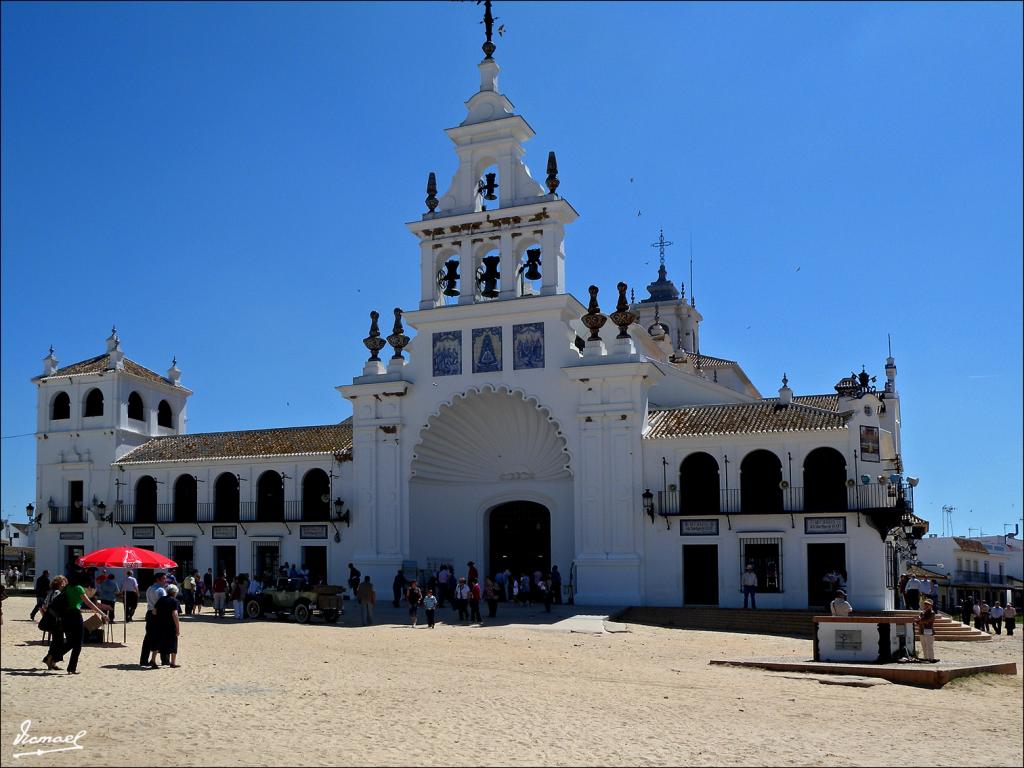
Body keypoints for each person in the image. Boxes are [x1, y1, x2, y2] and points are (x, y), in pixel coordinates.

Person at [45, 572, 107, 674]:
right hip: (75, 616)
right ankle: (71, 668)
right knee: (78, 644)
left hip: (65, 616)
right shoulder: (79, 588)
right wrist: (102, 613)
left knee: (70, 642)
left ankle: (51, 657)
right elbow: (89, 603)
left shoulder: (67, 588)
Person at [140, 572, 168, 668]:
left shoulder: (149, 588)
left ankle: (143, 660)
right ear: (158, 579)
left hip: (149, 613)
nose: (165, 580)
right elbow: (164, 604)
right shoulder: (161, 590)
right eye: (164, 579)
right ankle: (165, 659)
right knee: (162, 636)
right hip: (158, 614)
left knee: (148, 637)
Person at [150, 583, 182, 667]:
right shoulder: (175, 601)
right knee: (173, 643)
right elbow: (175, 614)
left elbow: (154, 611)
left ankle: (153, 660)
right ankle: (173, 662)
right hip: (170, 625)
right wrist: (178, 628)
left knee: (158, 642)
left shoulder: (161, 599)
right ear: (175, 592)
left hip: (159, 624)